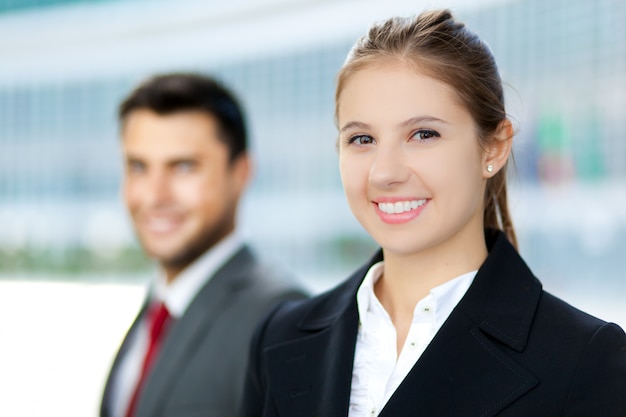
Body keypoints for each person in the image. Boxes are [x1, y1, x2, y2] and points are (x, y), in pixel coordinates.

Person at [243, 9, 626, 417]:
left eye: (424, 134)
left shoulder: (584, 359)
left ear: (493, 148)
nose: (385, 172)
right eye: (361, 138)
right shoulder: (278, 338)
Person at [100, 73, 307, 417]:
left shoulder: (280, 320)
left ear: (240, 173)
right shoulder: (157, 309)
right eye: (138, 167)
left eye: (183, 167)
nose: (155, 196)